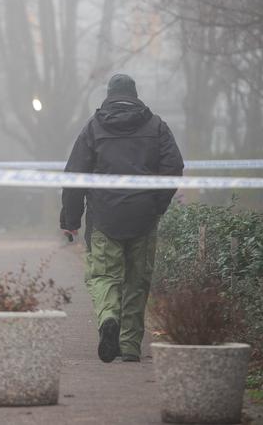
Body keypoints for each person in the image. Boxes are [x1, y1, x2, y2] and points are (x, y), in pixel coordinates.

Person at [60, 74, 183, 363]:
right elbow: (174, 166)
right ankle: (129, 346)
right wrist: (158, 204)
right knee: (137, 282)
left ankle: (108, 318)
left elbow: (75, 175)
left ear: (109, 95)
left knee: (104, 276)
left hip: (104, 217)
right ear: (135, 94)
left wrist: (71, 219)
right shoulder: (157, 127)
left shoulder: (93, 127)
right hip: (144, 217)